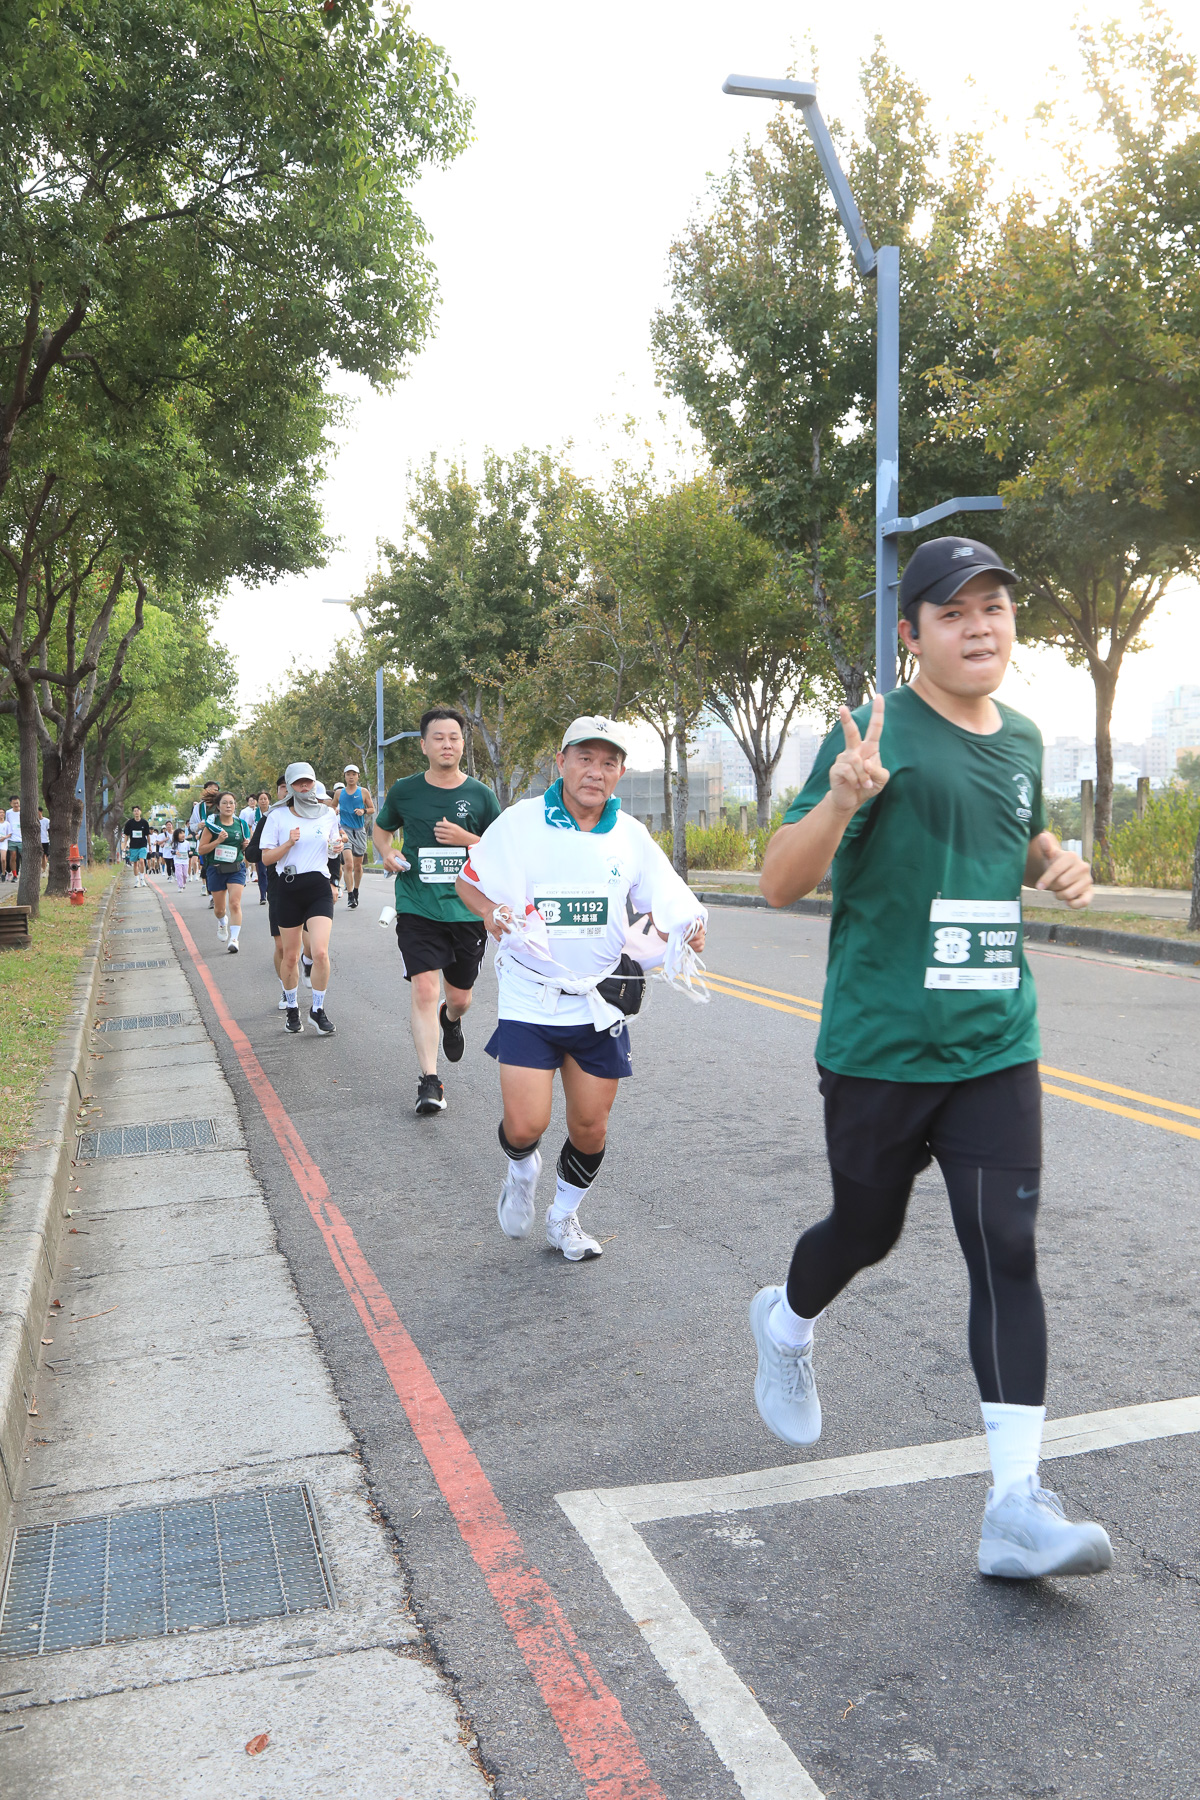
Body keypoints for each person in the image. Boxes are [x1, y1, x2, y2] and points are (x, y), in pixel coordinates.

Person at [754, 537, 1113, 1582]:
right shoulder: (872, 736)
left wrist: (1054, 862)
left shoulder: (1025, 737)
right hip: (881, 1045)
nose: (980, 626)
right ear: (911, 636)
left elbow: (1014, 831)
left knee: (1006, 1247)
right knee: (865, 1231)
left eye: (994, 607)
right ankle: (785, 1321)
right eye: (953, 612)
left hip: (994, 1040)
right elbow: (777, 883)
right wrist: (840, 800)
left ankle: (1016, 1506)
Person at [456, 716, 708, 1263]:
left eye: (608, 762)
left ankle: (563, 1216)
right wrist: (492, 912)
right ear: (562, 762)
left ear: (620, 772)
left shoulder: (630, 836)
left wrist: (686, 928)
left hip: (598, 1001)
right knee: (525, 1125)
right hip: (531, 994)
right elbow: (469, 881)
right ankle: (521, 1169)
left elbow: (666, 900)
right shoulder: (520, 823)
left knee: (590, 1128)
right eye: (585, 758)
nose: (596, 771)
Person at [372, 708, 501, 1115]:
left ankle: (451, 1019)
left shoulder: (481, 795)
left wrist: (467, 839)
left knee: (459, 998)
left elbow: (503, 850)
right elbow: (382, 828)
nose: (447, 744)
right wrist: (386, 852)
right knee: (425, 989)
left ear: (463, 744)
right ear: (423, 745)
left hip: (466, 910)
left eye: (454, 737)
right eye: (439, 738)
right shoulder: (405, 791)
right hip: (417, 904)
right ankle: (430, 1081)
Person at [259, 763, 341, 1035]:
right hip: (288, 888)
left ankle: (317, 1010)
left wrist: (336, 847)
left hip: (318, 887)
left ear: (314, 783)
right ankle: (292, 1009)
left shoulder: (328, 815)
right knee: (291, 955)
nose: (304, 787)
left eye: (308, 782)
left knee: (320, 952)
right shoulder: (277, 816)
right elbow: (266, 858)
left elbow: (332, 851)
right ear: (291, 786)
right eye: (298, 783)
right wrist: (288, 844)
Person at [197, 791, 249, 951]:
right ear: (218, 807)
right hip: (216, 869)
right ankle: (222, 922)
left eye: (231, 803)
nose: (228, 806)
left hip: (236, 868)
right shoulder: (212, 826)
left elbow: (243, 846)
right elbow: (201, 850)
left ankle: (234, 939)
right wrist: (218, 841)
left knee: (235, 903)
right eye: (225, 803)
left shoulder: (241, 824)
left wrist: (245, 846)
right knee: (219, 909)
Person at [337, 764, 374, 910]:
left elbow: (372, 809)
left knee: (358, 866)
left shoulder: (363, 792)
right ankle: (350, 895)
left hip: (359, 831)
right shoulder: (339, 793)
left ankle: (356, 890)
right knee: (348, 864)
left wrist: (363, 811)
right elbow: (332, 806)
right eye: (348, 774)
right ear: (344, 776)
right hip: (345, 831)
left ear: (358, 776)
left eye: (354, 774)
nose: (351, 777)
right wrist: (333, 810)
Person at [190, 780, 220, 907]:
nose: (213, 791)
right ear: (205, 791)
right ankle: (212, 896)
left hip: (221, 840)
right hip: (205, 842)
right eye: (210, 789)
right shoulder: (198, 807)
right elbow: (192, 826)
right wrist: (198, 826)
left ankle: (222, 894)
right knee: (208, 868)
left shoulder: (222, 803)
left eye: (216, 789)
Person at [123, 807, 151, 885]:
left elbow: (148, 835)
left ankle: (142, 878)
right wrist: (124, 845)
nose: (136, 812)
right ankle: (137, 880)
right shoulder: (129, 823)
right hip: (133, 846)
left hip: (142, 845)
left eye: (137, 811)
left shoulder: (144, 822)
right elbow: (126, 835)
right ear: (133, 813)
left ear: (140, 812)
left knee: (141, 861)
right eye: (135, 811)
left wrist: (149, 845)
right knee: (135, 863)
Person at [3, 797, 20, 882]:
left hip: (23, 839)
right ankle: (14, 875)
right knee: (13, 856)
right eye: (14, 803)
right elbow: (6, 824)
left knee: (25, 857)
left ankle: (26, 874)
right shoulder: (8, 812)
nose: (16, 805)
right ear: (11, 804)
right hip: (12, 838)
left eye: (17, 803)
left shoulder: (24, 811)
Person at [172, 824, 189, 891]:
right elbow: (171, 851)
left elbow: (188, 850)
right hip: (177, 861)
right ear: (177, 835)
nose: (183, 835)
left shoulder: (187, 843)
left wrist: (190, 853)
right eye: (180, 833)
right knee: (179, 874)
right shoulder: (175, 843)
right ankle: (180, 886)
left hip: (185, 861)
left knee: (185, 874)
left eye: (183, 833)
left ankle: (183, 883)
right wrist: (175, 852)